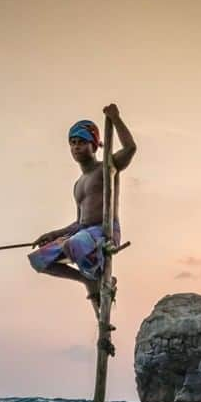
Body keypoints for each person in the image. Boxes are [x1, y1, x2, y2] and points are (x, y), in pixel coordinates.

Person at [29, 104, 137, 316]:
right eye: (73, 143)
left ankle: (96, 275)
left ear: (94, 145)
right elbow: (80, 222)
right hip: (81, 236)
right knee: (38, 259)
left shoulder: (107, 167)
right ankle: (87, 279)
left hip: (103, 233)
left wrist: (115, 118)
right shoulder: (78, 184)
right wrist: (53, 234)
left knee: (75, 243)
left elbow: (130, 148)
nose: (76, 147)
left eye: (82, 142)